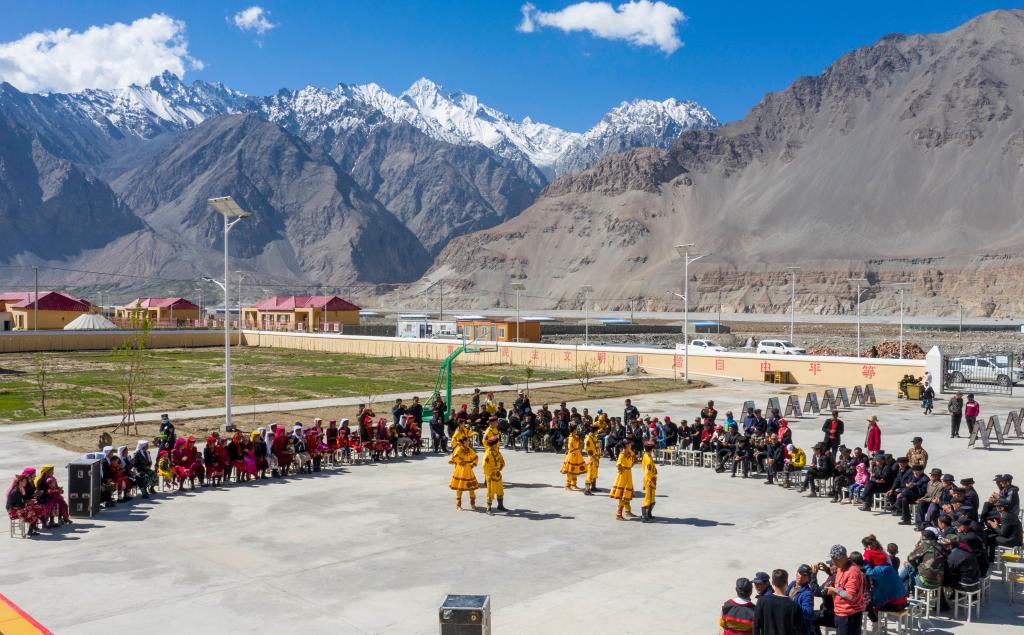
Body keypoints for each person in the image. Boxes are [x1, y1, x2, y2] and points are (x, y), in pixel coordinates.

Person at [824, 545, 866, 635]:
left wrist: (835, 590)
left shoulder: (852, 572)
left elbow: (850, 596)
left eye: (835, 559)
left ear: (843, 558)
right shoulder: (841, 566)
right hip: (841, 613)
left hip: (849, 616)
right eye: (832, 559)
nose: (833, 562)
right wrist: (827, 569)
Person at [753, 569, 804, 635]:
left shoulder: (762, 601)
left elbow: (756, 626)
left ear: (772, 582)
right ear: (786, 583)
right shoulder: (794, 606)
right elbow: (799, 630)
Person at [6, 471, 44, 536]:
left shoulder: (20, 489)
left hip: (18, 508)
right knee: (34, 511)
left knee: (37, 508)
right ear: (20, 482)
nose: (26, 482)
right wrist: (28, 503)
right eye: (24, 481)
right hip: (14, 511)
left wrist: (28, 502)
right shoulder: (16, 492)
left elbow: (21, 502)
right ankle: (31, 530)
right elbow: (20, 505)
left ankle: (32, 528)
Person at [448, 436, 479, 511]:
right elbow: (455, 457)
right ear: (464, 442)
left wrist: (473, 464)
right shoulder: (459, 449)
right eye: (468, 441)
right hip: (461, 470)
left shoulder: (469, 449)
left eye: (469, 441)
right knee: (460, 488)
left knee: (471, 487)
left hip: (468, 470)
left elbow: (475, 457)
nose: (469, 442)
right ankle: (458, 504)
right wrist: (462, 462)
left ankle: (473, 504)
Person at [609, 442, 636, 521]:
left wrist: (630, 452)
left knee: (627, 493)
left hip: (628, 474)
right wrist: (622, 470)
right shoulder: (622, 454)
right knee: (623, 494)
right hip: (623, 476)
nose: (630, 445)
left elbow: (635, 459)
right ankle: (618, 514)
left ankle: (627, 511)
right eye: (629, 445)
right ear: (626, 446)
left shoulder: (629, 453)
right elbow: (618, 464)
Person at [786, 565, 816, 635]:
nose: (801, 576)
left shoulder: (807, 594)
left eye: (804, 575)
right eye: (800, 573)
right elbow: (785, 597)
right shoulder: (792, 584)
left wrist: (792, 605)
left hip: (799, 628)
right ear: (796, 573)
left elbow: (809, 613)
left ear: (808, 579)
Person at [481, 434, 506, 514]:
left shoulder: (497, 452)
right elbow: (484, 465)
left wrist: (500, 467)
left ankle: (500, 505)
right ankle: (488, 508)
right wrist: (490, 473)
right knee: (490, 491)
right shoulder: (487, 454)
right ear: (494, 444)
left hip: (498, 474)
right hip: (491, 476)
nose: (498, 444)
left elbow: (502, 460)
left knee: (500, 489)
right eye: (497, 443)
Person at [560, 426, 587, 490]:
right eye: (575, 430)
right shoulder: (571, 438)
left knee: (575, 470)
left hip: (577, 454)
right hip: (572, 454)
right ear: (573, 430)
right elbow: (570, 447)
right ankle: (567, 485)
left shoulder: (576, 437)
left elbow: (580, 443)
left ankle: (574, 484)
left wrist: (580, 440)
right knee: (570, 470)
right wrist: (573, 451)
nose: (576, 431)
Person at [641, 441, 658, 522]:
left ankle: (649, 513)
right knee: (648, 497)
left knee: (652, 497)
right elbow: (648, 472)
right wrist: (652, 479)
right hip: (650, 480)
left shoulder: (646, 455)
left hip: (649, 479)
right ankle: (644, 516)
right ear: (651, 449)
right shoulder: (648, 459)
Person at [584, 425, 601, 495]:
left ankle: (593, 487)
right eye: (597, 431)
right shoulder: (588, 438)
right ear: (594, 431)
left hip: (596, 458)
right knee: (590, 473)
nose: (598, 432)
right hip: (591, 458)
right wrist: (593, 455)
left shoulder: (594, 437)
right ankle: (587, 490)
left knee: (595, 472)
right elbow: (587, 448)